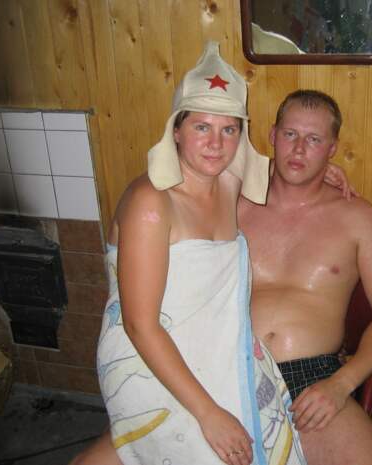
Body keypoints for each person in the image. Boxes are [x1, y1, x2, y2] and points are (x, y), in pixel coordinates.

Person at [92, 41, 306, 465]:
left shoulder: (226, 182)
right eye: (202, 127)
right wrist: (209, 414)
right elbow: (139, 325)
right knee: (221, 448)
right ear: (176, 129)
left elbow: (279, 173)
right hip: (146, 359)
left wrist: (324, 172)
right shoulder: (152, 203)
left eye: (229, 130)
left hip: (216, 347)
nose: (216, 144)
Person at [237, 90, 372, 465]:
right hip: (227, 364)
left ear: (332, 149)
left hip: (312, 377)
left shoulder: (358, 218)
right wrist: (263, 167)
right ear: (273, 136)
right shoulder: (232, 198)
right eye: (290, 135)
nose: (299, 149)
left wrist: (341, 384)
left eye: (314, 140)